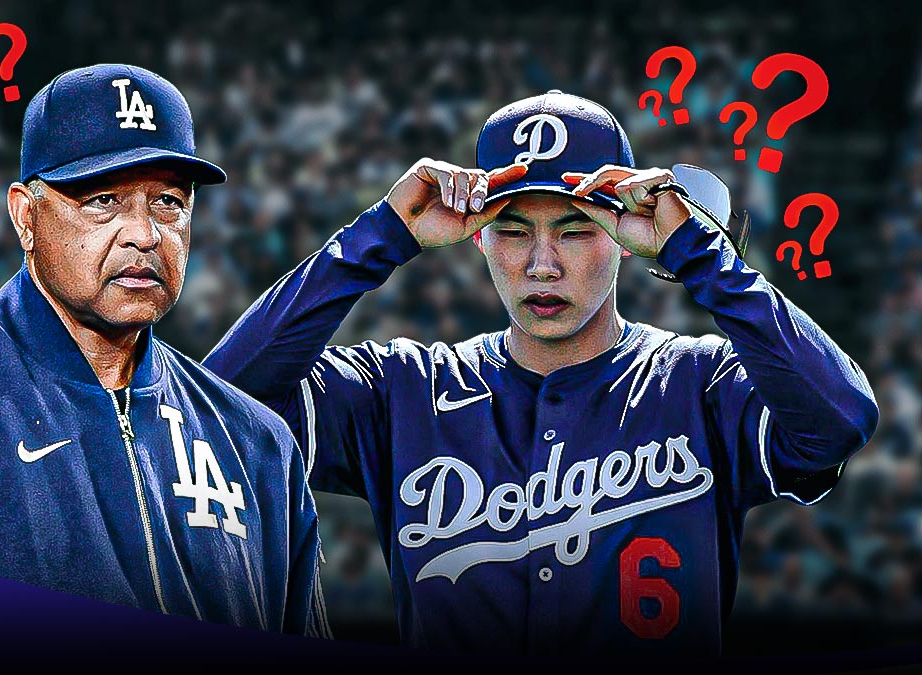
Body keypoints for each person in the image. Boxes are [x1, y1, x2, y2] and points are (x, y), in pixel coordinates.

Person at [204, 90, 877, 652]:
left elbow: (840, 420)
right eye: (515, 229)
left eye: (577, 229)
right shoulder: (401, 389)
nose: (542, 264)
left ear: (621, 234)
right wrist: (380, 234)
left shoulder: (699, 382)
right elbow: (215, 411)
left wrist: (696, 250)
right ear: (476, 233)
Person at [0, 64, 329, 637]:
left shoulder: (255, 442)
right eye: (102, 199)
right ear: (26, 215)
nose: (144, 233)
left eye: (169, 202)